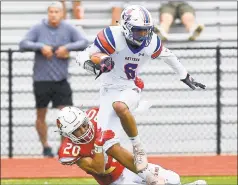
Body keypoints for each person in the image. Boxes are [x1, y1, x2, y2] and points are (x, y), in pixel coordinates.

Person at [76, 5, 206, 172]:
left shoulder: (151, 42)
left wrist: (185, 76)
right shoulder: (113, 37)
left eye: (146, 31)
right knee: (107, 144)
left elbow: (169, 56)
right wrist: (94, 64)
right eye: (139, 30)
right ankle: (152, 178)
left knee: (120, 106)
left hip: (130, 87)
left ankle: (138, 146)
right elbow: (82, 56)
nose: (143, 35)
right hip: (108, 91)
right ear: (126, 27)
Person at [57, 106, 207, 185]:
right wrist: (97, 144)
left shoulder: (96, 114)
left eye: (83, 125)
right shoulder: (69, 150)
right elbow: (99, 169)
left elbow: (118, 110)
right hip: (114, 181)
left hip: (129, 165)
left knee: (173, 179)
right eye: (77, 130)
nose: (83, 130)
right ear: (67, 134)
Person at [19, 1, 89, 157]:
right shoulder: (38, 28)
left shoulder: (68, 28)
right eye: (51, 11)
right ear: (47, 13)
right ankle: (45, 147)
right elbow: (23, 44)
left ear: (62, 13)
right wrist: (40, 47)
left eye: (56, 11)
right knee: (40, 114)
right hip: (41, 79)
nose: (53, 14)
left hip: (61, 80)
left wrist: (67, 48)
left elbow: (84, 42)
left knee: (67, 115)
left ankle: (63, 146)